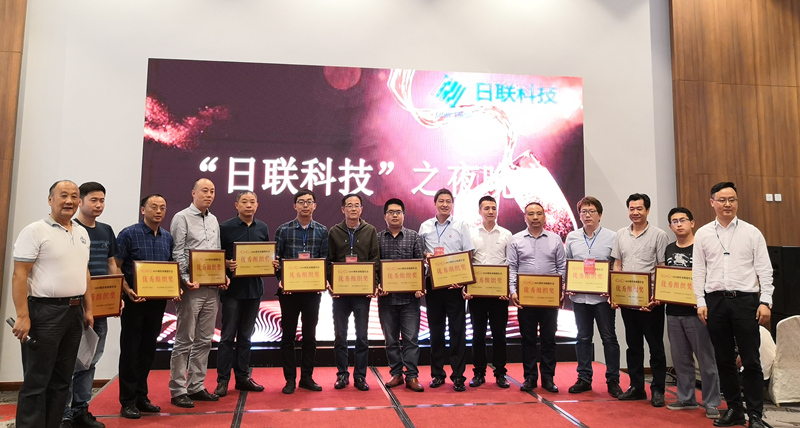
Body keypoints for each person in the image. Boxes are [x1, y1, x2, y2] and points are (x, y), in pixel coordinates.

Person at [11, 180, 93, 428]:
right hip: (44, 313)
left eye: (74, 196)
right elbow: (19, 275)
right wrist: (23, 316)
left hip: (74, 312)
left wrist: (89, 309)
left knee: (62, 380)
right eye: (63, 195)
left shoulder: (81, 232)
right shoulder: (34, 231)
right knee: (37, 380)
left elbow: (85, 272)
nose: (69, 201)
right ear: (50, 200)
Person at [693, 182, 773, 428]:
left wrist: (766, 301)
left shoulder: (752, 232)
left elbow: (765, 269)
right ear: (712, 202)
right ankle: (735, 410)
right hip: (715, 302)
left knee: (751, 360)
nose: (727, 204)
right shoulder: (704, 233)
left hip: (746, 301)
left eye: (732, 199)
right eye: (722, 199)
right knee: (724, 360)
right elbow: (698, 270)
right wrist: (700, 301)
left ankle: (756, 415)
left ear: (737, 202)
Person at [62, 182, 120, 428]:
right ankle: (63, 413)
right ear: (80, 202)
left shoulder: (106, 230)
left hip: (101, 307)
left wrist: (117, 296)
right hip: (74, 305)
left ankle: (81, 410)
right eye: (93, 200)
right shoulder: (71, 229)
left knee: (90, 360)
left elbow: (111, 264)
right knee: (68, 360)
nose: (98, 205)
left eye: (102, 200)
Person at [169, 178, 229, 408]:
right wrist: (185, 279)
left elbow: (216, 254)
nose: (209, 195)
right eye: (204, 190)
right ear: (193, 192)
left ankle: (196, 385)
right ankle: (178, 389)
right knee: (185, 339)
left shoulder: (214, 220)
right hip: (191, 288)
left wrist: (222, 275)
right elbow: (178, 252)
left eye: (212, 191)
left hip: (212, 289)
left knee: (205, 340)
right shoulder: (182, 217)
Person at [116, 194, 173, 419]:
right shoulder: (129, 234)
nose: (158, 211)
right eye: (153, 207)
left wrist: (174, 288)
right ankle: (127, 401)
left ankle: (141, 396)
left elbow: (168, 269)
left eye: (162, 207)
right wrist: (127, 289)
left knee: (148, 350)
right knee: (131, 351)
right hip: (134, 302)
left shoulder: (167, 237)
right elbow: (116, 266)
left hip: (157, 303)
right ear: (143, 210)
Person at [662, 207, 721, 419]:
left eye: (683, 220)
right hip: (673, 312)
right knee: (681, 359)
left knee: (706, 360)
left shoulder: (702, 247)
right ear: (670, 226)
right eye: (674, 221)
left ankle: (712, 402)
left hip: (698, 312)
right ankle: (686, 398)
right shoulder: (669, 249)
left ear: (692, 223)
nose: (679, 224)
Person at [611, 193, 669, 407]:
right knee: (633, 346)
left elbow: (662, 267)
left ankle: (658, 389)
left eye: (639, 209)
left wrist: (657, 297)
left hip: (651, 303)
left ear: (647, 210)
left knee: (656, 347)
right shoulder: (621, 234)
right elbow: (618, 264)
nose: (635, 212)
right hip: (628, 300)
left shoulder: (659, 235)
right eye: (632, 208)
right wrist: (616, 294)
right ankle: (636, 387)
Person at [564, 196, 623, 397]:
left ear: (600, 215)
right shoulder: (572, 237)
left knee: (609, 338)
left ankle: (613, 380)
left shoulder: (613, 237)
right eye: (584, 212)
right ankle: (584, 378)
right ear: (579, 215)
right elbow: (568, 264)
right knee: (582, 338)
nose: (587, 215)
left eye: (591, 211)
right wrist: (568, 285)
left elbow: (616, 266)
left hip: (602, 299)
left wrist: (612, 290)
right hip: (579, 298)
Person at [418, 188, 475, 392]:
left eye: (448, 201)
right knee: (436, 330)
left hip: (454, 286)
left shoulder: (461, 225)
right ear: (435, 203)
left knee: (458, 331)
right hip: (433, 284)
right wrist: (425, 255)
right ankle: (437, 374)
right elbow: (419, 253)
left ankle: (458, 376)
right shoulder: (425, 226)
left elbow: (468, 253)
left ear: (452, 204)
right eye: (441, 201)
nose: (444, 204)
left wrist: (464, 281)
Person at [215, 191, 269, 397]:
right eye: (244, 202)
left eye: (252, 202)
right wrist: (226, 263)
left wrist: (271, 263)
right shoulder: (225, 228)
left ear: (257, 205)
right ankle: (222, 381)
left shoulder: (262, 227)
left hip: (254, 290)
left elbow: (266, 255)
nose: (248, 205)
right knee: (227, 337)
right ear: (236, 205)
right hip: (232, 291)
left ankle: (243, 377)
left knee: (246, 337)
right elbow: (215, 257)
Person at [273, 189, 327, 394]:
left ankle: (306, 377)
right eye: (301, 202)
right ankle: (289, 379)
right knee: (288, 336)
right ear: (294, 205)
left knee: (309, 336)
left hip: (312, 293)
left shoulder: (322, 230)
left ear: (315, 206)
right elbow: (276, 261)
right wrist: (281, 281)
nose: (305, 205)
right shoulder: (283, 230)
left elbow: (325, 260)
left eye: (309, 202)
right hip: (289, 293)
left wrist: (321, 281)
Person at [508, 201, 566, 393]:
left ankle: (548, 378)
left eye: (539, 213)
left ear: (544, 216)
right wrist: (513, 291)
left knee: (549, 339)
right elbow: (512, 267)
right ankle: (530, 377)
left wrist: (561, 289)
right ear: (525, 217)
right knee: (528, 339)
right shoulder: (516, 240)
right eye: (531, 214)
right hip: (526, 299)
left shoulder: (555, 239)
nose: (535, 217)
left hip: (549, 298)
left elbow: (562, 267)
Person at [327, 193, 380, 391]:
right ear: (343, 209)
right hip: (340, 294)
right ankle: (342, 374)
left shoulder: (370, 230)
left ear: (361, 209)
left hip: (361, 293)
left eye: (356, 205)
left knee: (362, 336)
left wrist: (373, 284)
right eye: (349, 205)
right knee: (340, 336)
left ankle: (360, 376)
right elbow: (330, 260)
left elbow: (375, 259)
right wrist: (331, 284)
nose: (353, 209)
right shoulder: (334, 231)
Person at [377, 198, 426, 392]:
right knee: (390, 340)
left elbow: (421, 266)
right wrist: (378, 284)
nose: (395, 215)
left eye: (398, 212)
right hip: (387, 298)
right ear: (385, 216)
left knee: (411, 339)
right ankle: (396, 374)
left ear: (403, 215)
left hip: (409, 299)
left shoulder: (414, 237)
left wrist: (420, 285)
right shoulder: (377, 238)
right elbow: (375, 267)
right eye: (391, 212)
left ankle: (412, 376)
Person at [465, 195, 512, 389]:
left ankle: (500, 373)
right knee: (478, 335)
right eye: (486, 208)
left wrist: (508, 289)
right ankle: (479, 373)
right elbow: (467, 263)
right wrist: (466, 287)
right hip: (477, 294)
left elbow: (510, 264)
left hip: (499, 294)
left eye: (493, 208)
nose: (490, 211)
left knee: (499, 335)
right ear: (480, 211)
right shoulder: (471, 234)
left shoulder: (507, 234)